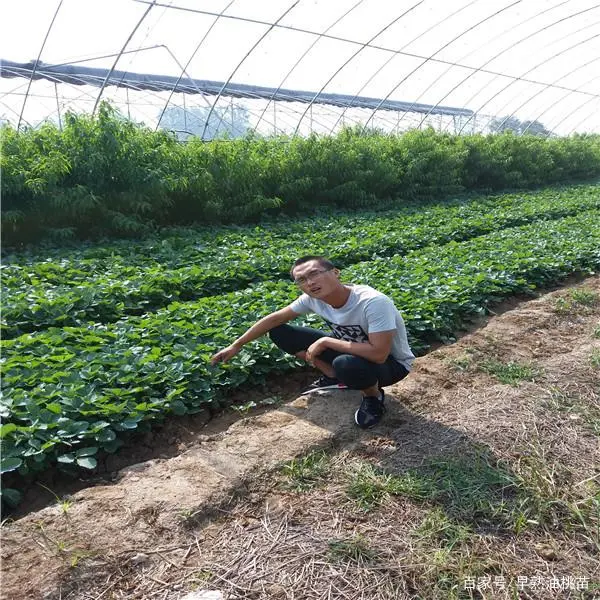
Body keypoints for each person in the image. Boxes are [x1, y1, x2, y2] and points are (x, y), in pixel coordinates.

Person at [210, 256, 415, 428]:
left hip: (391, 364)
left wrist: (326, 341)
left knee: (346, 363)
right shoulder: (312, 299)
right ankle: (334, 376)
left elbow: (378, 353)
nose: (309, 283)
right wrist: (237, 345)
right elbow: (274, 319)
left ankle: (372, 397)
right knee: (279, 331)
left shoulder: (372, 302)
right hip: (352, 351)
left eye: (314, 273)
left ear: (335, 273)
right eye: (301, 280)